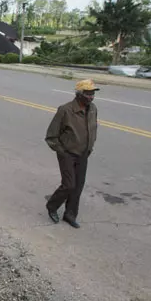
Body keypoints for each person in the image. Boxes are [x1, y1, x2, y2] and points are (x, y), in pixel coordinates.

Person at [45, 79, 99, 228]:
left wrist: (90, 147)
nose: (91, 97)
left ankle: (70, 214)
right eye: (88, 94)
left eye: (93, 93)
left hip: (83, 153)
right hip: (67, 153)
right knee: (69, 185)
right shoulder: (65, 110)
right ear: (79, 94)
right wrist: (62, 152)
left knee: (78, 186)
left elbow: (92, 129)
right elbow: (51, 136)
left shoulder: (93, 109)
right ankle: (52, 205)